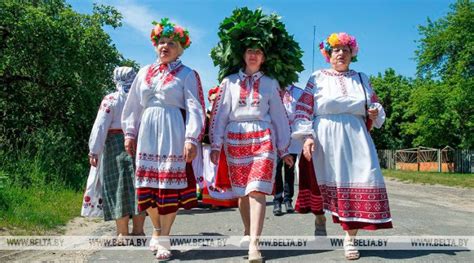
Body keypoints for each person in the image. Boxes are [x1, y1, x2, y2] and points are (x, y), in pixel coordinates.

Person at [209, 8, 304, 262]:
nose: (253, 55)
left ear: (264, 57)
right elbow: (219, 114)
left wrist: (284, 149)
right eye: (250, 50)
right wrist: (216, 144)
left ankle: (254, 244)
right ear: (242, 54)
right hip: (235, 137)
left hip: (263, 136)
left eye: (258, 51)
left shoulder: (271, 83)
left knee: (257, 190)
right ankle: (247, 229)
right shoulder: (229, 82)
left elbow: (280, 118)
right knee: (241, 192)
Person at [292, 32, 393, 260]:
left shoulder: (361, 78)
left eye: (346, 50)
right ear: (328, 55)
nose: (341, 54)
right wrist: (307, 136)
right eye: (336, 50)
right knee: (322, 183)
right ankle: (320, 219)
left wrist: (374, 111)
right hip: (324, 136)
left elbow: (374, 104)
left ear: (352, 54)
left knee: (360, 180)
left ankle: (350, 239)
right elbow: (303, 108)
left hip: (355, 137)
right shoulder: (317, 77)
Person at [121, 18, 205, 260]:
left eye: (171, 43)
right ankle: (157, 229)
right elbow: (133, 105)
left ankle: (164, 235)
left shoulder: (188, 75)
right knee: (147, 189)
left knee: (168, 188)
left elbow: (196, 108)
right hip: (147, 132)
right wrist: (129, 132)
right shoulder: (144, 72)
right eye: (161, 42)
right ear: (155, 45)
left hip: (172, 132)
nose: (165, 46)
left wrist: (191, 138)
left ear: (180, 48)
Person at [87, 66, 146, 243]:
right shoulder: (141, 99)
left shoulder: (111, 99)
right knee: (138, 188)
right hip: (139, 145)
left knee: (117, 188)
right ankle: (139, 231)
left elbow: (100, 126)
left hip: (115, 147)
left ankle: (122, 233)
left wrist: (94, 150)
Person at [200, 86, 238, 209]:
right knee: (209, 172)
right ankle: (213, 199)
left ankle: (225, 200)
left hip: (222, 146)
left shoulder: (225, 113)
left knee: (221, 172)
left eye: (217, 98)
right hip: (207, 146)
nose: (214, 100)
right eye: (212, 98)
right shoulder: (205, 112)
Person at [272, 84, 303, 216]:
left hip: (292, 135)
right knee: (277, 168)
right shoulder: (272, 89)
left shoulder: (298, 92)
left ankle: (288, 199)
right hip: (277, 133)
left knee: (290, 168)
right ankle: (277, 200)